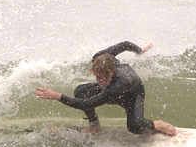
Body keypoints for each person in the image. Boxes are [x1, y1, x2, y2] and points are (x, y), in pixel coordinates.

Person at [34, 41, 177, 136]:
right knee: (80, 91)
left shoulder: (120, 82)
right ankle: (95, 125)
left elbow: (86, 104)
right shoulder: (100, 58)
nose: (100, 82)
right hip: (113, 89)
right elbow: (125, 44)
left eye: (103, 78)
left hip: (132, 94)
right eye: (97, 77)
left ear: (112, 72)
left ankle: (156, 124)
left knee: (136, 127)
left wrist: (58, 96)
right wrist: (139, 50)